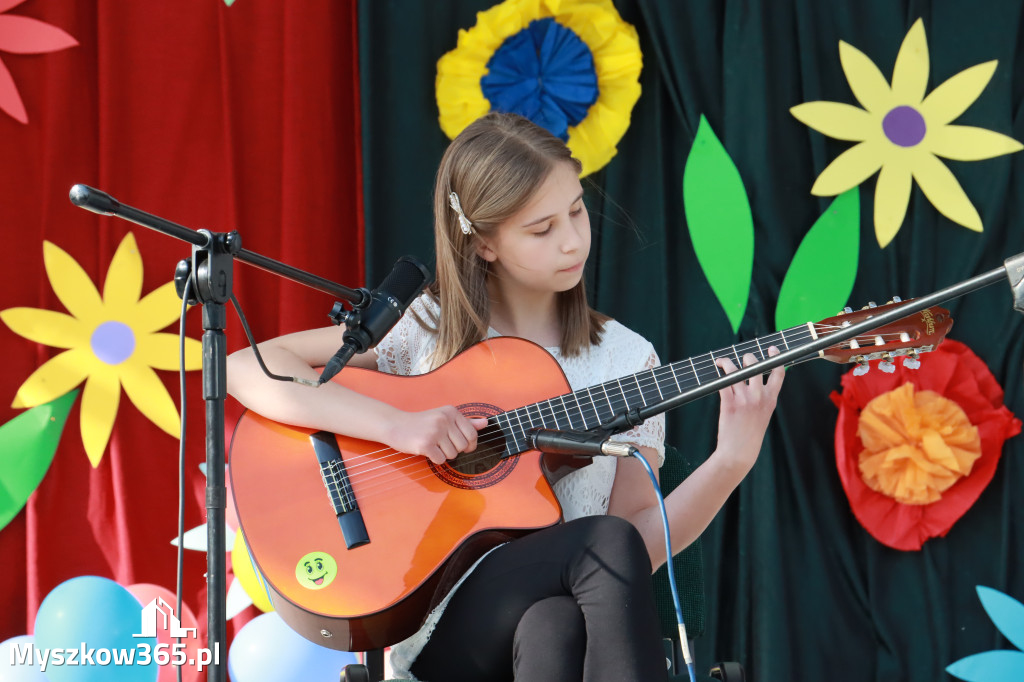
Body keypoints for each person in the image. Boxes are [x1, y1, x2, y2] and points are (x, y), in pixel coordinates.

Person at [226, 112, 784, 682]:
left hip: (562, 627)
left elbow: (635, 544)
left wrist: (730, 462)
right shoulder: (424, 329)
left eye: (576, 211)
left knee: (555, 623)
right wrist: (396, 425)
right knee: (587, 570)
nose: (572, 240)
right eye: (541, 229)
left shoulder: (626, 358)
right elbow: (245, 365)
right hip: (438, 619)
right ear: (485, 243)